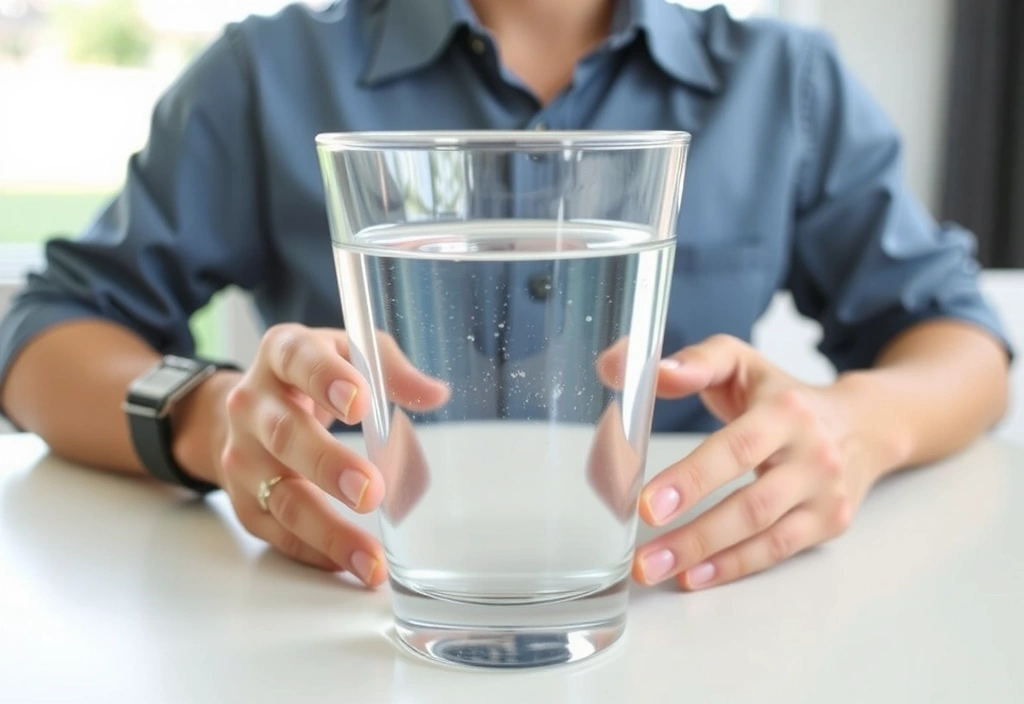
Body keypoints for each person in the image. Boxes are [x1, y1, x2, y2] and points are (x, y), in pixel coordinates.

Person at [0, 0, 1012, 592]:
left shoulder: (783, 79)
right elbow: (42, 334)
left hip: (673, 614)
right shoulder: (264, 74)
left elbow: (957, 334)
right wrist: (209, 417)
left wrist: (856, 425)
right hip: (355, 611)